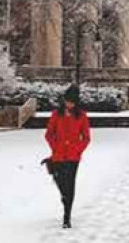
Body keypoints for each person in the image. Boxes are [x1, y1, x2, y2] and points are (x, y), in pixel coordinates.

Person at [44, 84, 91, 229]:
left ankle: (67, 216)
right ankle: (65, 198)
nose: (69, 104)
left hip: (73, 157)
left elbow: (86, 137)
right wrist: (55, 147)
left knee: (70, 185)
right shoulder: (56, 114)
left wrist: (77, 150)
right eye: (67, 101)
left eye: (72, 102)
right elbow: (49, 134)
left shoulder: (81, 116)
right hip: (58, 155)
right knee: (61, 183)